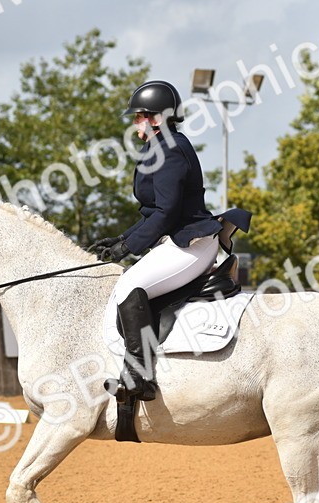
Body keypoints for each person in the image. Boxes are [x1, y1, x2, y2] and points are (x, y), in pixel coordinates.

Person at [91, 79, 222, 402]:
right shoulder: (159, 147)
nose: (135, 123)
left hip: (191, 243)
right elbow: (153, 214)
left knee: (128, 287)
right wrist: (121, 238)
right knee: (129, 283)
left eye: (139, 116)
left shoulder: (170, 150)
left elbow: (165, 213)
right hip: (177, 241)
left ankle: (139, 378)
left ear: (157, 118)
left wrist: (128, 248)